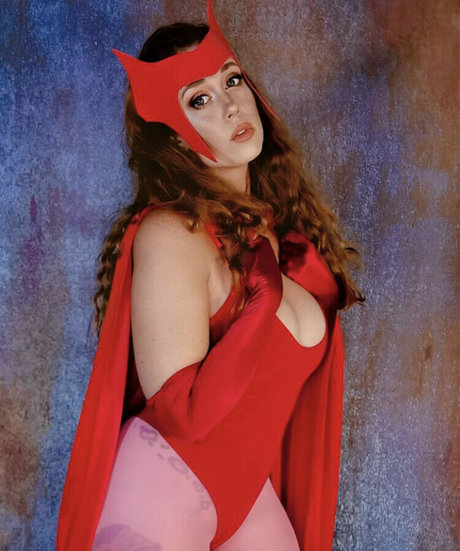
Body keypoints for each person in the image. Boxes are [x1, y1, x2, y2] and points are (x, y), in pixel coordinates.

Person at [56, 1, 365, 550]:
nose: (229, 105)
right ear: (174, 137)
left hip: (245, 500)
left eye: (232, 80)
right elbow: (184, 416)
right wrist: (261, 299)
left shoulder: (283, 238)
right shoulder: (173, 234)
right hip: (160, 493)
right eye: (199, 99)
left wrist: (273, 278)